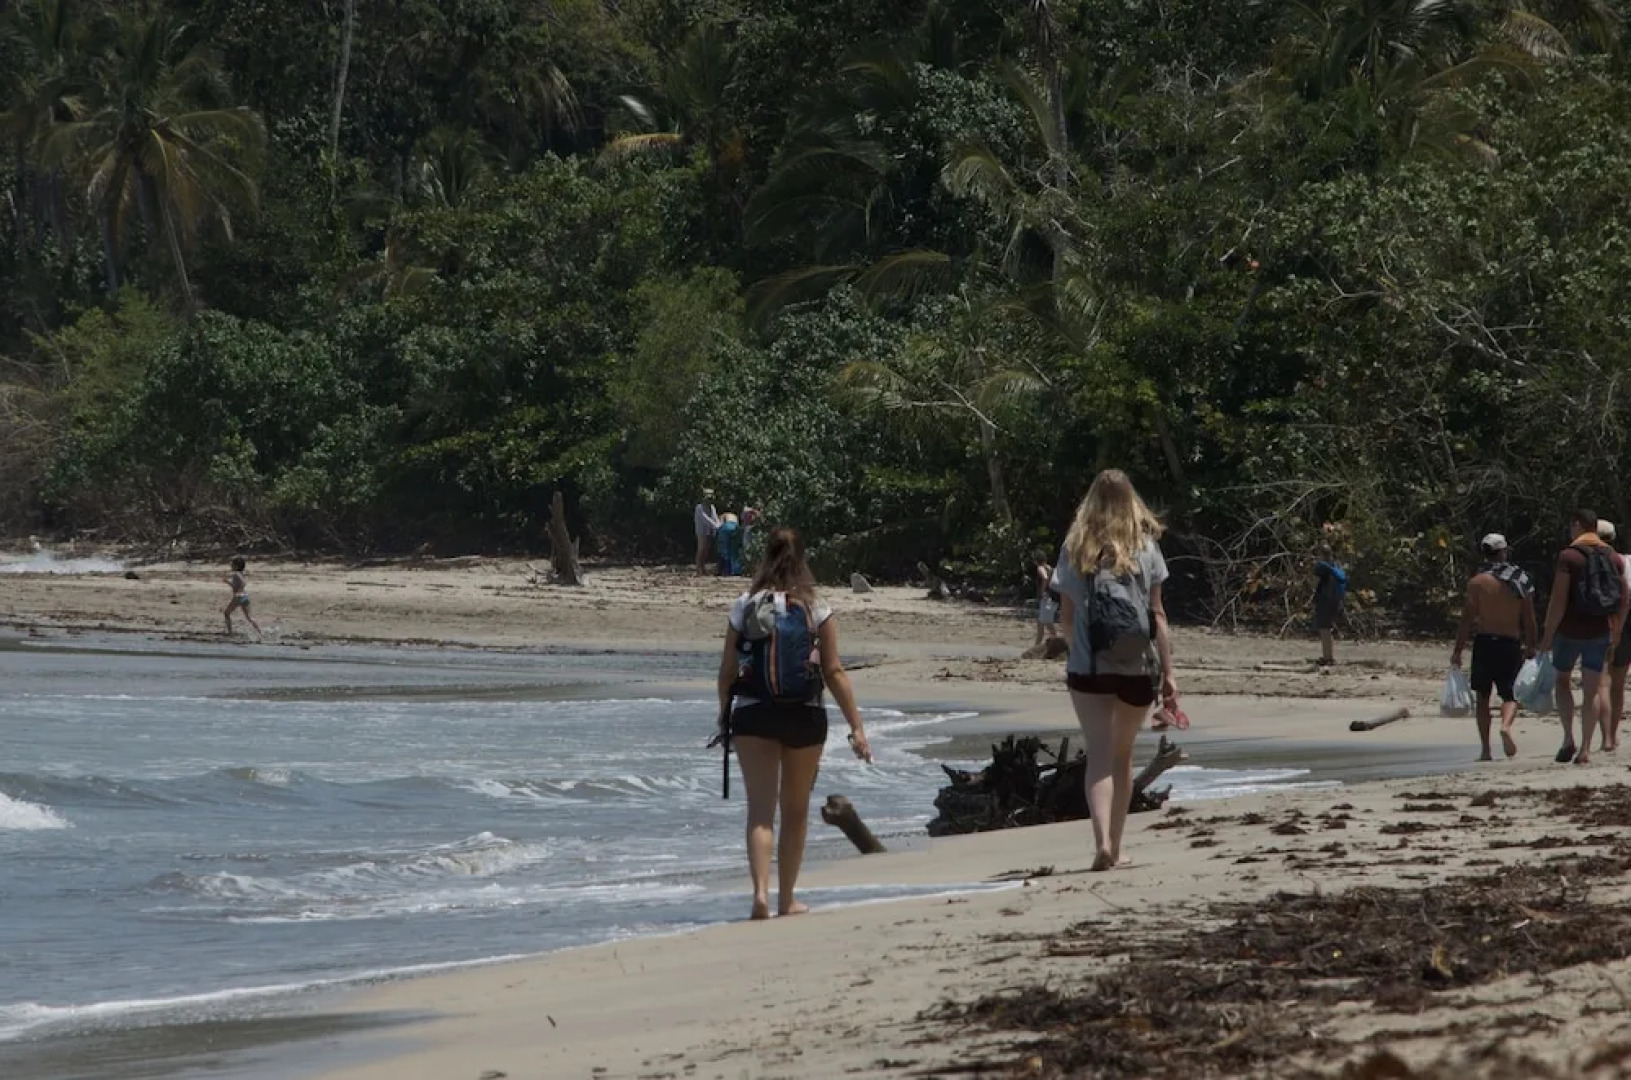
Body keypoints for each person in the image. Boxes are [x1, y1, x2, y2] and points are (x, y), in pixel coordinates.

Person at [716, 526, 871, 920]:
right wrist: (857, 727)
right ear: (803, 560)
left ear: (765, 557)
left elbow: (728, 671)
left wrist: (723, 714)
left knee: (760, 812)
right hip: (805, 715)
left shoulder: (745, 604)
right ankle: (787, 899)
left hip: (753, 713)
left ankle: (760, 896)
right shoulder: (816, 608)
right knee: (796, 809)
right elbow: (834, 671)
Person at [1050, 470, 1178, 872]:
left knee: (1099, 756)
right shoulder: (1146, 548)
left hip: (1088, 669)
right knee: (1123, 757)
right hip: (1136, 668)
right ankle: (1118, 848)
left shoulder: (1075, 548)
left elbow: (1066, 619)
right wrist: (1170, 675)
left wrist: (1080, 649)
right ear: (1132, 501)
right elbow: (1158, 616)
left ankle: (1102, 841)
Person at [1538, 508, 1629, 765]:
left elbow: (1558, 600)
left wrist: (1547, 634)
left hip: (1568, 631)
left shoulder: (1568, 556)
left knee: (1563, 681)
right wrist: (1617, 631)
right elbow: (1623, 599)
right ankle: (1586, 749)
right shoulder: (1614, 558)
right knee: (1592, 690)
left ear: (1578, 524)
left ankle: (1568, 738)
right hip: (1599, 632)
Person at [1450, 534, 1536, 761]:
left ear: (1484, 553)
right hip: (1510, 642)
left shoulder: (1477, 583)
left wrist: (1458, 650)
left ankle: (1486, 750)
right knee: (1510, 694)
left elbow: (1467, 620)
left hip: (1485, 642)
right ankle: (1506, 726)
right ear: (1504, 552)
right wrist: (1532, 645)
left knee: (1483, 697)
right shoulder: (1520, 579)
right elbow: (1529, 618)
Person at [1601, 520, 1631, 752]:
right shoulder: (1627, 560)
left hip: (1617, 621)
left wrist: (1616, 630)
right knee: (1617, 682)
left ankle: (1608, 737)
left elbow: (1624, 597)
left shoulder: (1608, 563)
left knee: (1609, 681)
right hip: (1624, 621)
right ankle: (1611, 735)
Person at [1313, 541, 1348, 667]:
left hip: (1326, 601)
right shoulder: (1335, 566)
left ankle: (1327, 657)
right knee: (1327, 629)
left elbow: (1316, 571)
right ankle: (1328, 656)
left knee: (1324, 630)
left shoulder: (1324, 567)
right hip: (1334, 601)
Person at [223, 557, 263, 639]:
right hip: (245, 597)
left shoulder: (236, 574)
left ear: (237, 566)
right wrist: (228, 583)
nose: (231, 566)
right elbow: (236, 586)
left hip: (239, 597)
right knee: (249, 617)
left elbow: (243, 583)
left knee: (226, 613)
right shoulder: (240, 573)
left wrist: (238, 592)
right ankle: (260, 633)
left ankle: (230, 633)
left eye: (232, 564)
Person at [1032, 554, 1061, 649]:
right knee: (1040, 623)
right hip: (1053, 598)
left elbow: (1044, 578)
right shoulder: (1050, 568)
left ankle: (1057, 642)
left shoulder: (1040, 568)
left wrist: (1042, 591)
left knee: (1047, 621)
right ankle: (1036, 646)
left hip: (1047, 598)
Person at [693, 489, 721, 576]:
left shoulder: (712, 507)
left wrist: (718, 525)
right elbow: (706, 519)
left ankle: (703, 568)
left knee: (706, 550)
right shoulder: (699, 507)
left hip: (709, 531)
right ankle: (698, 569)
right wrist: (716, 526)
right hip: (702, 531)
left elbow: (715, 517)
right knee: (701, 549)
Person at [716, 512, 743, 576]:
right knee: (734, 550)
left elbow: (719, 525)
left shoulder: (722, 516)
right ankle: (737, 570)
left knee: (724, 550)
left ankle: (725, 570)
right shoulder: (735, 516)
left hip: (726, 527)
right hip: (736, 527)